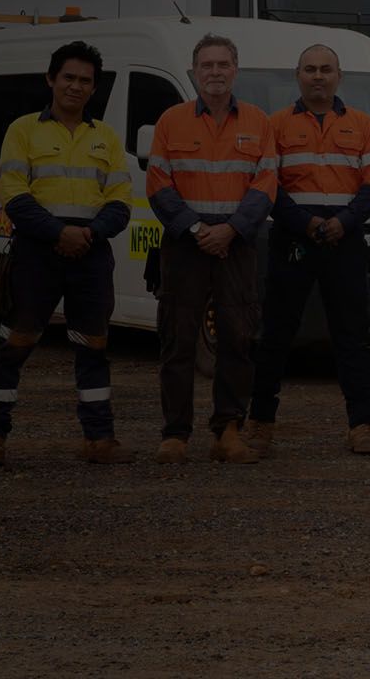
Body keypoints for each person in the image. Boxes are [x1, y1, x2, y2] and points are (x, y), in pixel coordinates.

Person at [0, 41, 135, 468]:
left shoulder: (106, 137)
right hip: (36, 254)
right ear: (51, 79)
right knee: (15, 344)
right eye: (68, 77)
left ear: (94, 87)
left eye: (85, 81)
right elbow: (14, 195)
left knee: (93, 348)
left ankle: (99, 438)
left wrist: (87, 234)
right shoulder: (23, 130)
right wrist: (58, 233)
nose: (76, 86)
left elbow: (120, 202)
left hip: (92, 255)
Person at [244, 44, 370, 457]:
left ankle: (362, 425)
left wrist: (345, 221)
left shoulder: (363, 125)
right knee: (275, 334)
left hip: (345, 240)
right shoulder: (275, 125)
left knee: (351, 336)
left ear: (339, 76)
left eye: (326, 69)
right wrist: (304, 223)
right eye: (310, 69)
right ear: (298, 75)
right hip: (294, 239)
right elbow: (267, 183)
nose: (318, 76)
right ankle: (260, 423)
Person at [147, 33, 278, 465]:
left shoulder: (258, 122)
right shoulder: (171, 121)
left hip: (237, 245)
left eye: (223, 64)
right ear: (195, 71)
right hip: (185, 245)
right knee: (178, 340)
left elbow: (266, 184)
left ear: (235, 70)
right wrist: (198, 229)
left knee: (238, 338)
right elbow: (159, 185)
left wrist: (232, 230)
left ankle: (228, 430)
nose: (215, 72)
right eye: (207, 65)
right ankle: (175, 434)